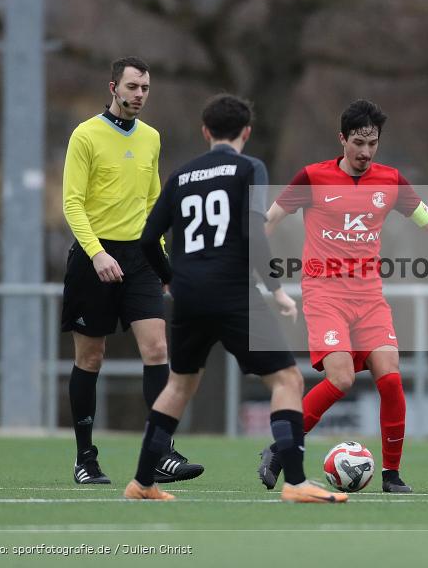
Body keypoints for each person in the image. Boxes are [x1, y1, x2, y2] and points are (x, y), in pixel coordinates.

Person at [258, 99, 428, 494]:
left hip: (369, 300)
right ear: (342, 139)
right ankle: (280, 448)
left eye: (373, 143)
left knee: (392, 379)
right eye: (358, 143)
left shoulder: (391, 181)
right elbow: (270, 221)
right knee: (341, 378)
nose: (365, 152)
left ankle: (391, 476)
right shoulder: (312, 178)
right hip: (324, 295)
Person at [124, 94, 346, 503]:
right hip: (231, 292)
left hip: (189, 294)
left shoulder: (182, 174)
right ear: (246, 132)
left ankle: (141, 482)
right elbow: (251, 232)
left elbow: (146, 239)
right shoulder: (250, 168)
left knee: (178, 385)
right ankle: (295, 483)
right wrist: (276, 289)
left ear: (205, 131)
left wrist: (171, 280)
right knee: (287, 379)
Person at [61, 56, 202, 485]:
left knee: (158, 349)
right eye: (133, 87)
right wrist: (97, 252)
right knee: (91, 357)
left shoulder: (152, 138)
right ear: (113, 88)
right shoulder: (85, 135)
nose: (139, 95)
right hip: (93, 258)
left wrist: (160, 261)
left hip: (140, 260)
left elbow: (152, 205)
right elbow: (72, 202)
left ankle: (162, 451)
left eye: (145, 88)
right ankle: (85, 458)